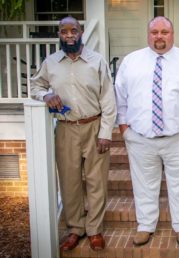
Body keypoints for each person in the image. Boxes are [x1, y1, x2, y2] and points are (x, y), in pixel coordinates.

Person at [114, 16, 179, 246]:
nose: (159, 36)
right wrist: (125, 129)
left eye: (164, 32)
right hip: (140, 138)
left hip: (178, 138)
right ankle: (145, 225)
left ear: (172, 34)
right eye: (154, 32)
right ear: (148, 35)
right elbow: (120, 97)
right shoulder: (131, 62)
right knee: (144, 184)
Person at [30, 17, 116, 251]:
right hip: (66, 129)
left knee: (97, 181)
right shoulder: (51, 62)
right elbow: (35, 86)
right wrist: (45, 96)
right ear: (59, 34)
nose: (69, 35)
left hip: (94, 126)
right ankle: (75, 229)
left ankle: (94, 229)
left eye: (73, 31)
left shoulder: (96, 61)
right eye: (64, 31)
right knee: (69, 181)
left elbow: (108, 99)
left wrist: (106, 132)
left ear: (81, 32)